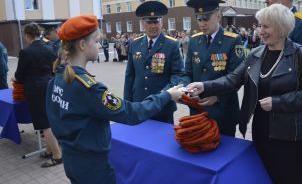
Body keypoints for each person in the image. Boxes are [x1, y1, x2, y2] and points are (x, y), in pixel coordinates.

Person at [187, 4, 302, 184]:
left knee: (292, 177)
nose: (260, 31)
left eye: (266, 26)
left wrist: (278, 102)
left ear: (282, 27)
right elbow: (233, 80)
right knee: (265, 177)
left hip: (292, 135)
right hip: (262, 131)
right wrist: (205, 86)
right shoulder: (256, 54)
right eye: (259, 26)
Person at [46, 15, 184, 184]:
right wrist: (167, 95)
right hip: (93, 165)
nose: (99, 46)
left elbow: (53, 119)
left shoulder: (57, 77)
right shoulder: (88, 88)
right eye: (96, 41)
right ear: (82, 45)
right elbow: (132, 113)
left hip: (72, 158)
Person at [182, 0, 243, 136]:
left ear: (218, 16)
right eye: (199, 19)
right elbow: (187, 73)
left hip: (222, 111)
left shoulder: (233, 40)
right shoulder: (194, 40)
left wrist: (218, 97)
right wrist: (187, 91)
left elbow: (237, 77)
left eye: (206, 18)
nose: (202, 23)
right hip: (198, 111)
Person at [124, 1, 184, 124]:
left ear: (161, 22)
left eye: (156, 21)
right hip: (139, 104)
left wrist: (165, 94)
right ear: (143, 23)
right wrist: (127, 103)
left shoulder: (172, 44)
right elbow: (130, 75)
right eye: (149, 22)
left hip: (163, 106)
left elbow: (178, 74)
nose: (153, 26)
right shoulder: (135, 44)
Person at [14, 23, 62, 168]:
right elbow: (55, 70)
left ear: (27, 35)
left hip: (35, 90)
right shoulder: (49, 48)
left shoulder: (25, 52)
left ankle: (57, 156)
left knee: (44, 124)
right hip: (49, 86)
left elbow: (19, 75)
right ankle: (49, 150)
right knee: (49, 121)